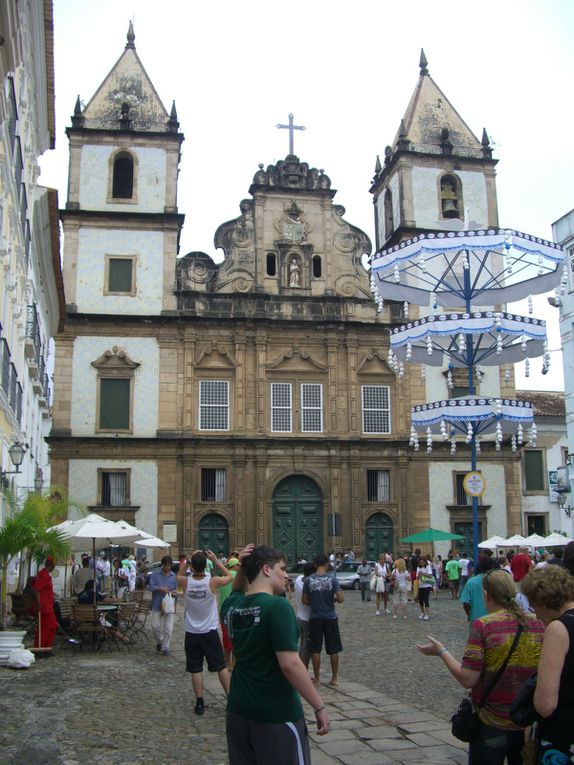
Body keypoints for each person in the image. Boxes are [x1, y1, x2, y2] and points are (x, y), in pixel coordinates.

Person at [416, 569, 544, 764]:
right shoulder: (538, 624)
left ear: (486, 595)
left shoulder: (483, 626)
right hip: (526, 723)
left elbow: (468, 679)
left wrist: (441, 651)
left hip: (492, 722)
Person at [221, 544, 330, 765]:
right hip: (276, 712)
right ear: (266, 570)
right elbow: (290, 664)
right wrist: (318, 706)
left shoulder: (231, 607)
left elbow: (236, 590)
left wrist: (243, 565)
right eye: (282, 568)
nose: (286, 574)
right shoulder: (277, 607)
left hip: (239, 709)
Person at [521, 565, 574, 764]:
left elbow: (545, 704)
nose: (534, 614)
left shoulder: (558, 629)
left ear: (543, 599)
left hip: (564, 735)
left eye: (533, 605)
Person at [176, 549, 232, 714]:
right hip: (209, 631)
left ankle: (199, 702)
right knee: (221, 666)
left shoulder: (185, 582)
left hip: (192, 632)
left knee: (196, 668)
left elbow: (178, 575)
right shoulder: (212, 582)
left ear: (192, 567)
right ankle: (230, 699)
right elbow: (230, 576)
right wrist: (216, 561)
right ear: (205, 565)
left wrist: (186, 561)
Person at [302, 553, 344, 687]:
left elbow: (304, 600)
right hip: (330, 616)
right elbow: (341, 598)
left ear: (315, 565)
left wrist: (315, 602)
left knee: (315, 649)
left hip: (315, 617)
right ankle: (334, 678)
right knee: (333, 649)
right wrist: (333, 600)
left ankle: (318, 679)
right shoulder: (332, 579)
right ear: (326, 565)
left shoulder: (308, 580)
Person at [149, 554, 178, 656]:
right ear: (162, 565)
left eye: (169, 566)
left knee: (168, 628)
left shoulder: (173, 576)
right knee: (155, 626)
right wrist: (160, 588)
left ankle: (165, 647)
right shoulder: (155, 574)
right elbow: (151, 587)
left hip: (169, 604)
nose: (167, 568)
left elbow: (176, 590)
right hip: (157, 603)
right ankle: (160, 641)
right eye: (165, 565)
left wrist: (175, 595)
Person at [31, 556, 58, 653]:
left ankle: (45, 646)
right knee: (46, 628)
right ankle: (42, 647)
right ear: (51, 565)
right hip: (44, 606)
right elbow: (35, 589)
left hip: (48, 605)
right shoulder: (44, 576)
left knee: (50, 626)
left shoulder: (44, 574)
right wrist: (38, 603)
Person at [218, 556, 240, 669]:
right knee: (235, 638)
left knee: (226, 638)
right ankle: (233, 663)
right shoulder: (237, 577)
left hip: (223, 611)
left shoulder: (223, 577)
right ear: (235, 566)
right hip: (235, 610)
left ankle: (226, 662)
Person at [460, 556, 494, 626]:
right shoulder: (495, 580)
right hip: (493, 618)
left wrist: (469, 615)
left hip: (476, 619)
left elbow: (465, 603)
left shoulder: (471, 582)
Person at [293, 561, 315, 668]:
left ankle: (301, 668)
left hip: (299, 617)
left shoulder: (298, 580)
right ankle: (304, 671)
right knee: (306, 648)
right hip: (307, 619)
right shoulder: (307, 587)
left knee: (301, 646)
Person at [416, 555, 434, 620]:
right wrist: (418, 575)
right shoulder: (418, 568)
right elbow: (417, 577)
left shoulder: (428, 567)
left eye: (423, 562)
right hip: (420, 586)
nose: (421, 563)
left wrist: (423, 573)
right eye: (420, 562)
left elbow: (430, 575)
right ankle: (422, 612)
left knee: (426, 599)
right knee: (420, 600)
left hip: (427, 585)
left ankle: (427, 614)